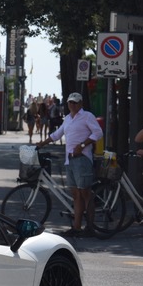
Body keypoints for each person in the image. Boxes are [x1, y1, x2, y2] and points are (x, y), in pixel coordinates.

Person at [36, 92, 103, 237]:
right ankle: (77, 226)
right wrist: (42, 143)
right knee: (76, 194)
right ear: (67, 103)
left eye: (75, 102)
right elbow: (57, 134)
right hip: (70, 160)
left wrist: (83, 144)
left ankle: (90, 227)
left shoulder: (87, 116)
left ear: (81, 104)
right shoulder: (67, 118)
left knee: (85, 192)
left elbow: (98, 133)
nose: (72, 105)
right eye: (70, 102)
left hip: (82, 159)